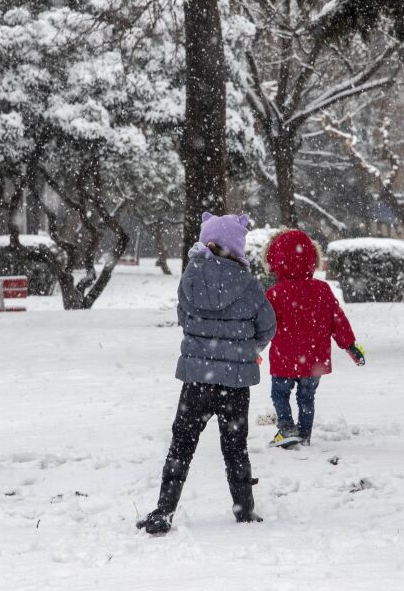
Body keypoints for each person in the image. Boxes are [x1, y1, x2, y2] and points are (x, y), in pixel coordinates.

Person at [137, 212, 277, 535]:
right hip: (234, 383)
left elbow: (184, 319)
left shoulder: (189, 277)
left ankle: (164, 509)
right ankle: (244, 508)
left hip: (197, 381)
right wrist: (247, 348)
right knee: (235, 446)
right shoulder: (249, 285)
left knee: (181, 445)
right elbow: (267, 326)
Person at [264, 229, 365, 448]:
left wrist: (250, 348)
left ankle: (287, 428)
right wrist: (351, 346)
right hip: (313, 359)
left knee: (279, 393)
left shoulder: (274, 293)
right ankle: (304, 434)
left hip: (284, 359)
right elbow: (338, 321)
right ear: (312, 259)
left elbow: (263, 325)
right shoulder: (322, 290)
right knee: (306, 397)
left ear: (276, 261)